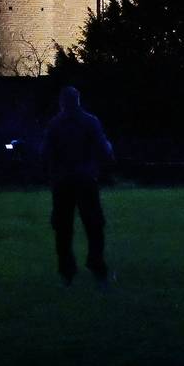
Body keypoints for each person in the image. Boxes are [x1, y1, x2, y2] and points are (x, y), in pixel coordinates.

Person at [42, 85, 114, 285]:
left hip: (62, 182)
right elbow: (103, 149)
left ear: (61, 102)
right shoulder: (90, 122)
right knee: (94, 225)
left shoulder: (54, 124)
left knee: (63, 228)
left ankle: (67, 271)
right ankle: (96, 265)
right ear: (78, 100)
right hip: (85, 180)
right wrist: (108, 150)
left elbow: (45, 152)